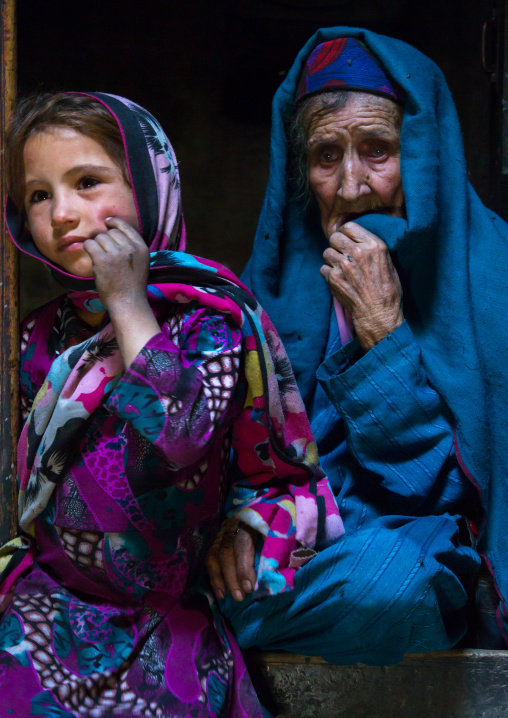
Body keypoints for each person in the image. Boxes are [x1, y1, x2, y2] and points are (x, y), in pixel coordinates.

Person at [0, 92, 343, 716]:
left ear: (152, 188)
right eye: (39, 196)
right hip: (42, 615)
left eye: (87, 182)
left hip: (157, 627)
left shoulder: (206, 321)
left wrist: (129, 303)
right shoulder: (37, 338)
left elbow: (178, 435)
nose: (64, 213)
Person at [207, 28, 508, 663]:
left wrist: (381, 336)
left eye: (378, 150)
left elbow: (438, 491)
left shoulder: (492, 274)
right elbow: (238, 461)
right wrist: (242, 520)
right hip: (301, 544)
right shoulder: (273, 289)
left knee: (388, 584)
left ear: (423, 156)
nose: (350, 186)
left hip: (420, 545)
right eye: (324, 156)